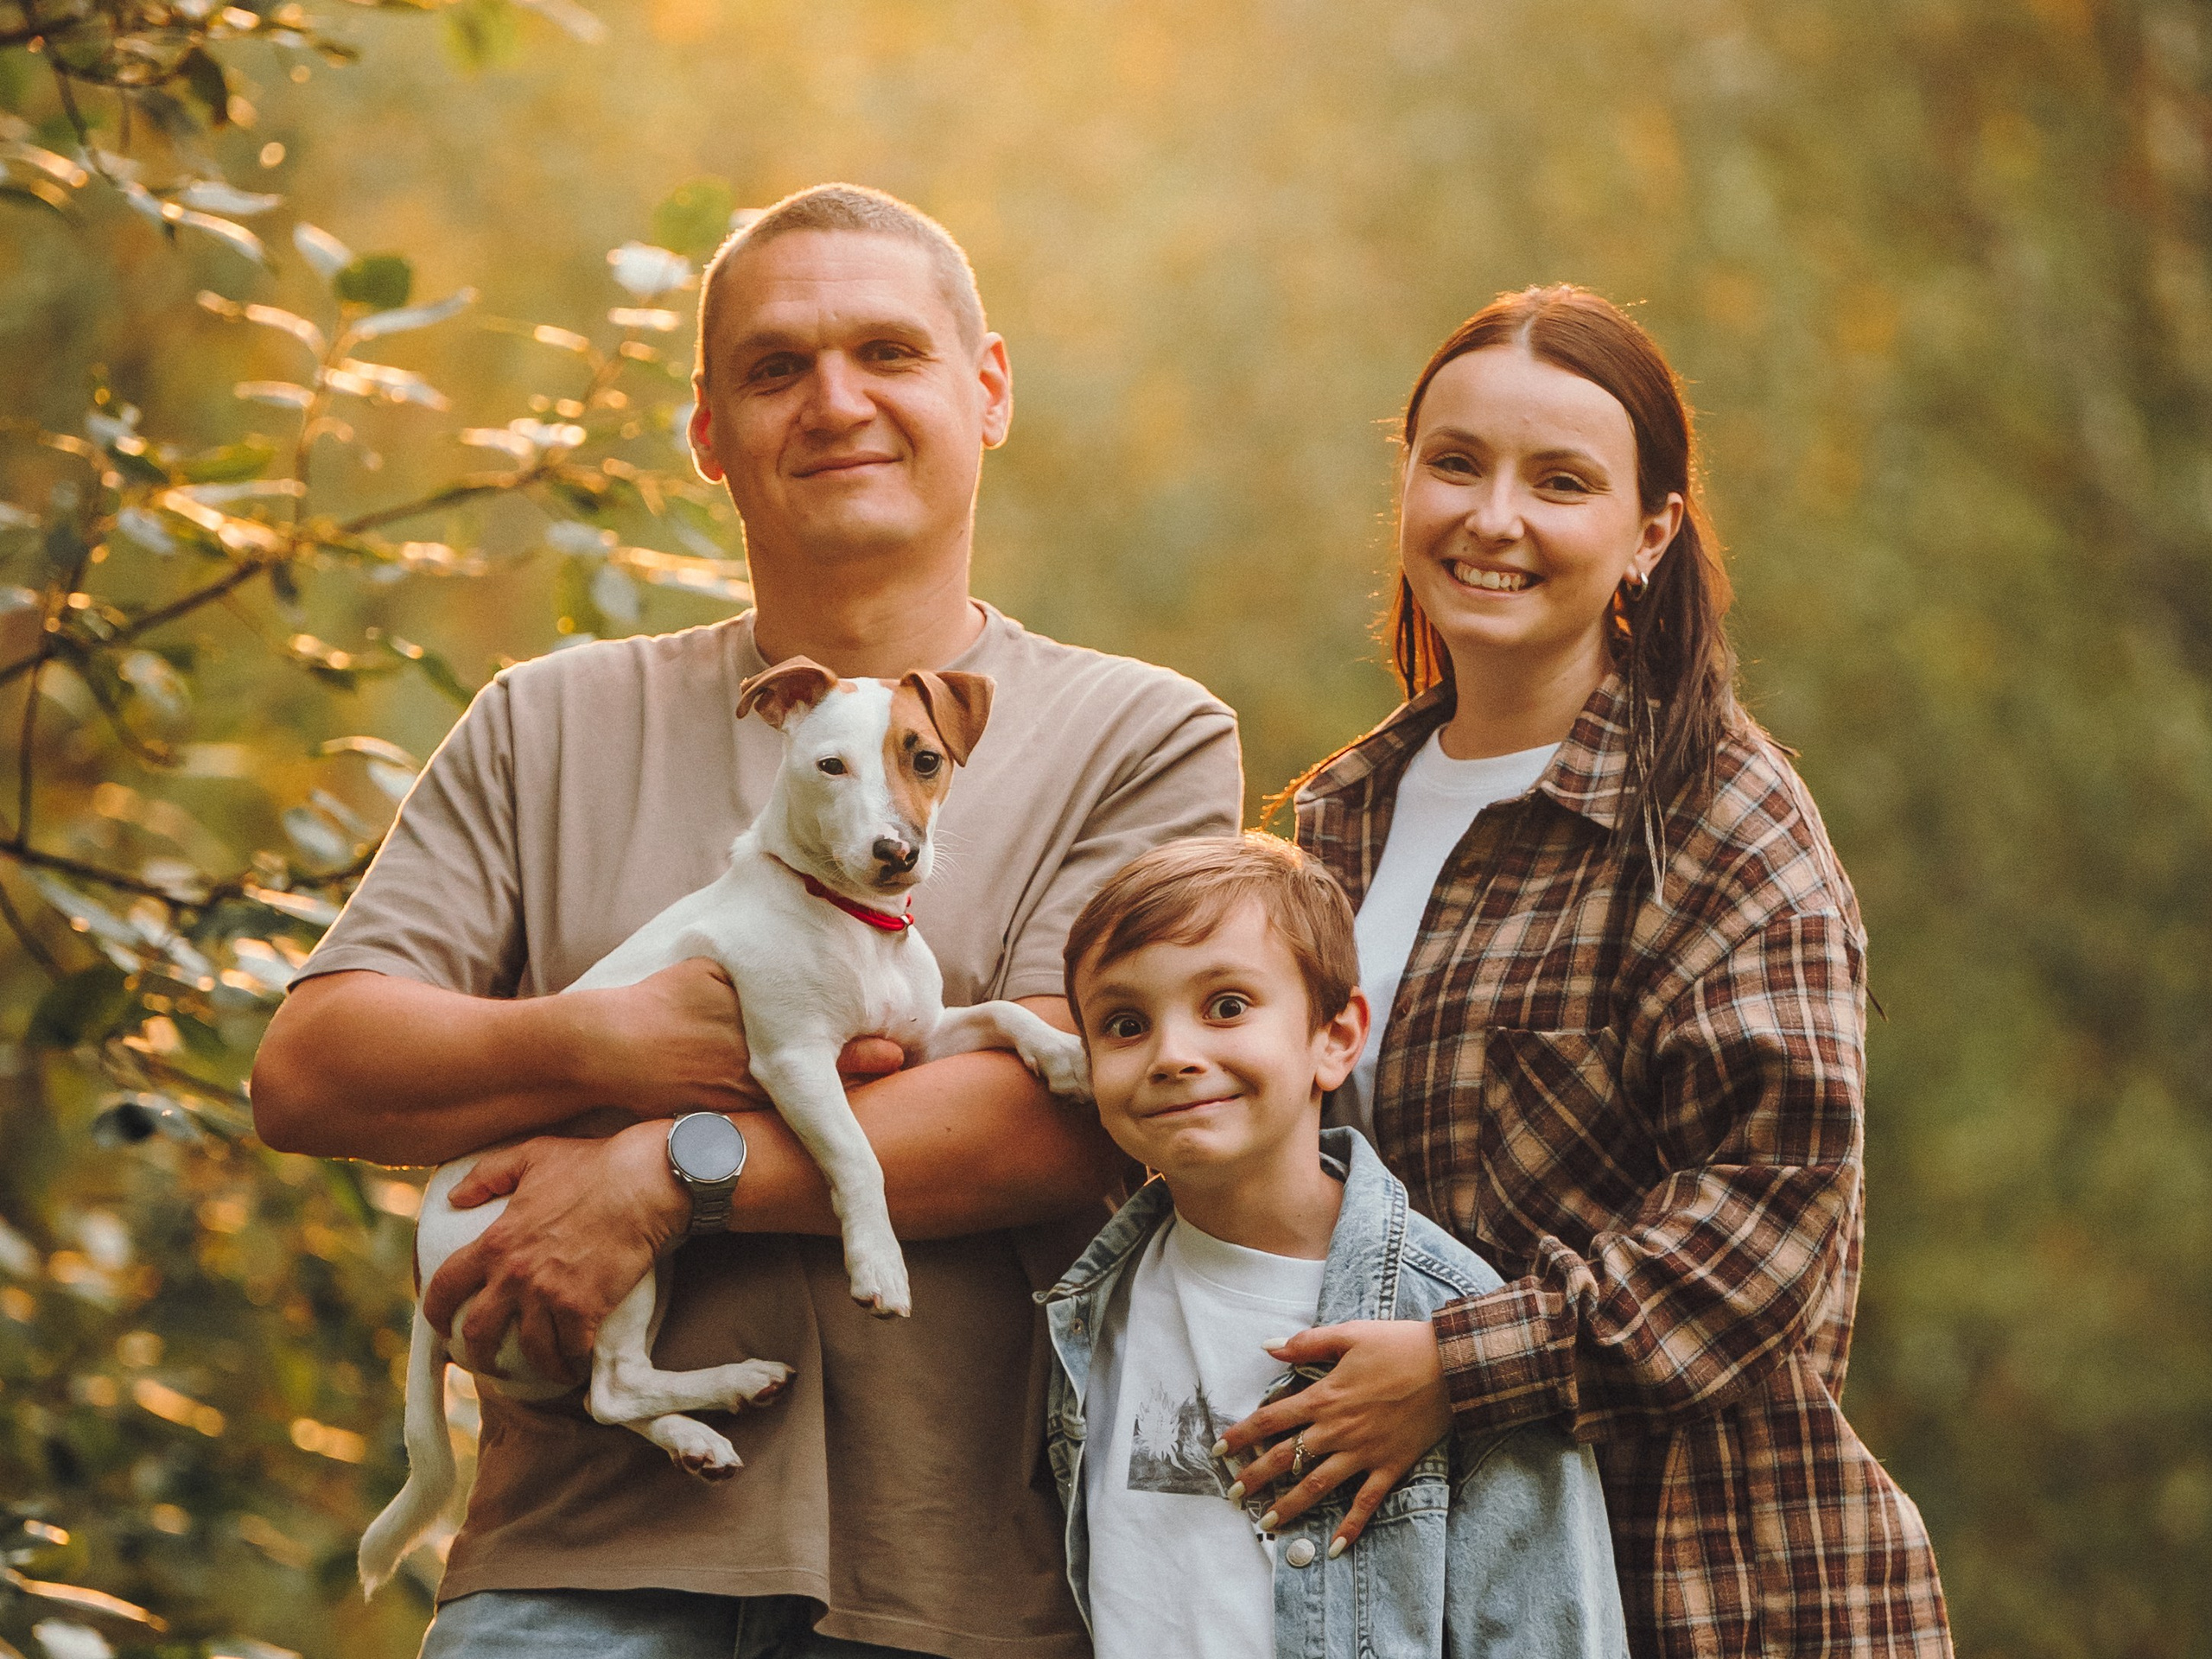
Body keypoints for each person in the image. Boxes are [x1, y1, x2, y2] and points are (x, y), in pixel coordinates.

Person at [250, 183, 1243, 1658]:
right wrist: (605, 1042)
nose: (836, 402)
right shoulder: (547, 723)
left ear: (988, 390)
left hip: (965, 1584)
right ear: (708, 434)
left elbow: (1062, 1115)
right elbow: (313, 1069)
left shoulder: (1142, 737)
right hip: (579, 1569)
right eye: (778, 368)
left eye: (889, 353)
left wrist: (665, 1175)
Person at [1211, 287, 1955, 1657]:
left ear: (1649, 535)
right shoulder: (1333, 823)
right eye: (1456, 464)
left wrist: (1458, 1370)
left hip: (1695, 1578)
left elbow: (1769, 1210)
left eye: (1559, 482)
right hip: (1406, 1585)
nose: (1493, 519)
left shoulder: (1721, 819)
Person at [1044, 833, 1625, 1659]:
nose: (1173, 1056)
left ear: (1337, 1037)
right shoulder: (1087, 1309)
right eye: (1125, 1024)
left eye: (1227, 1007)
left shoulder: (1448, 1317)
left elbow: (1547, 1633)